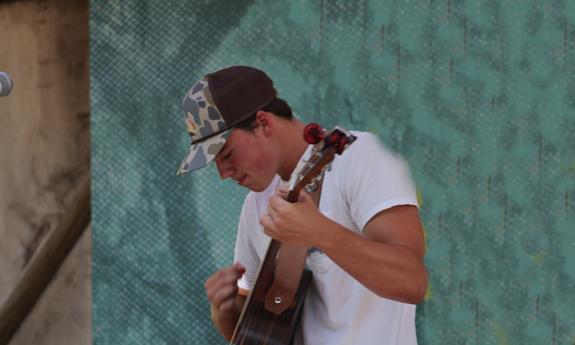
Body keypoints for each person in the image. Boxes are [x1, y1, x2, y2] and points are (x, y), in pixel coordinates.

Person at [177, 65, 428, 345]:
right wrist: (225, 315)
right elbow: (261, 335)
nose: (223, 173)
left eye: (227, 154)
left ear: (263, 123)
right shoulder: (255, 206)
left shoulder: (362, 157)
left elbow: (412, 282)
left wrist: (321, 232)